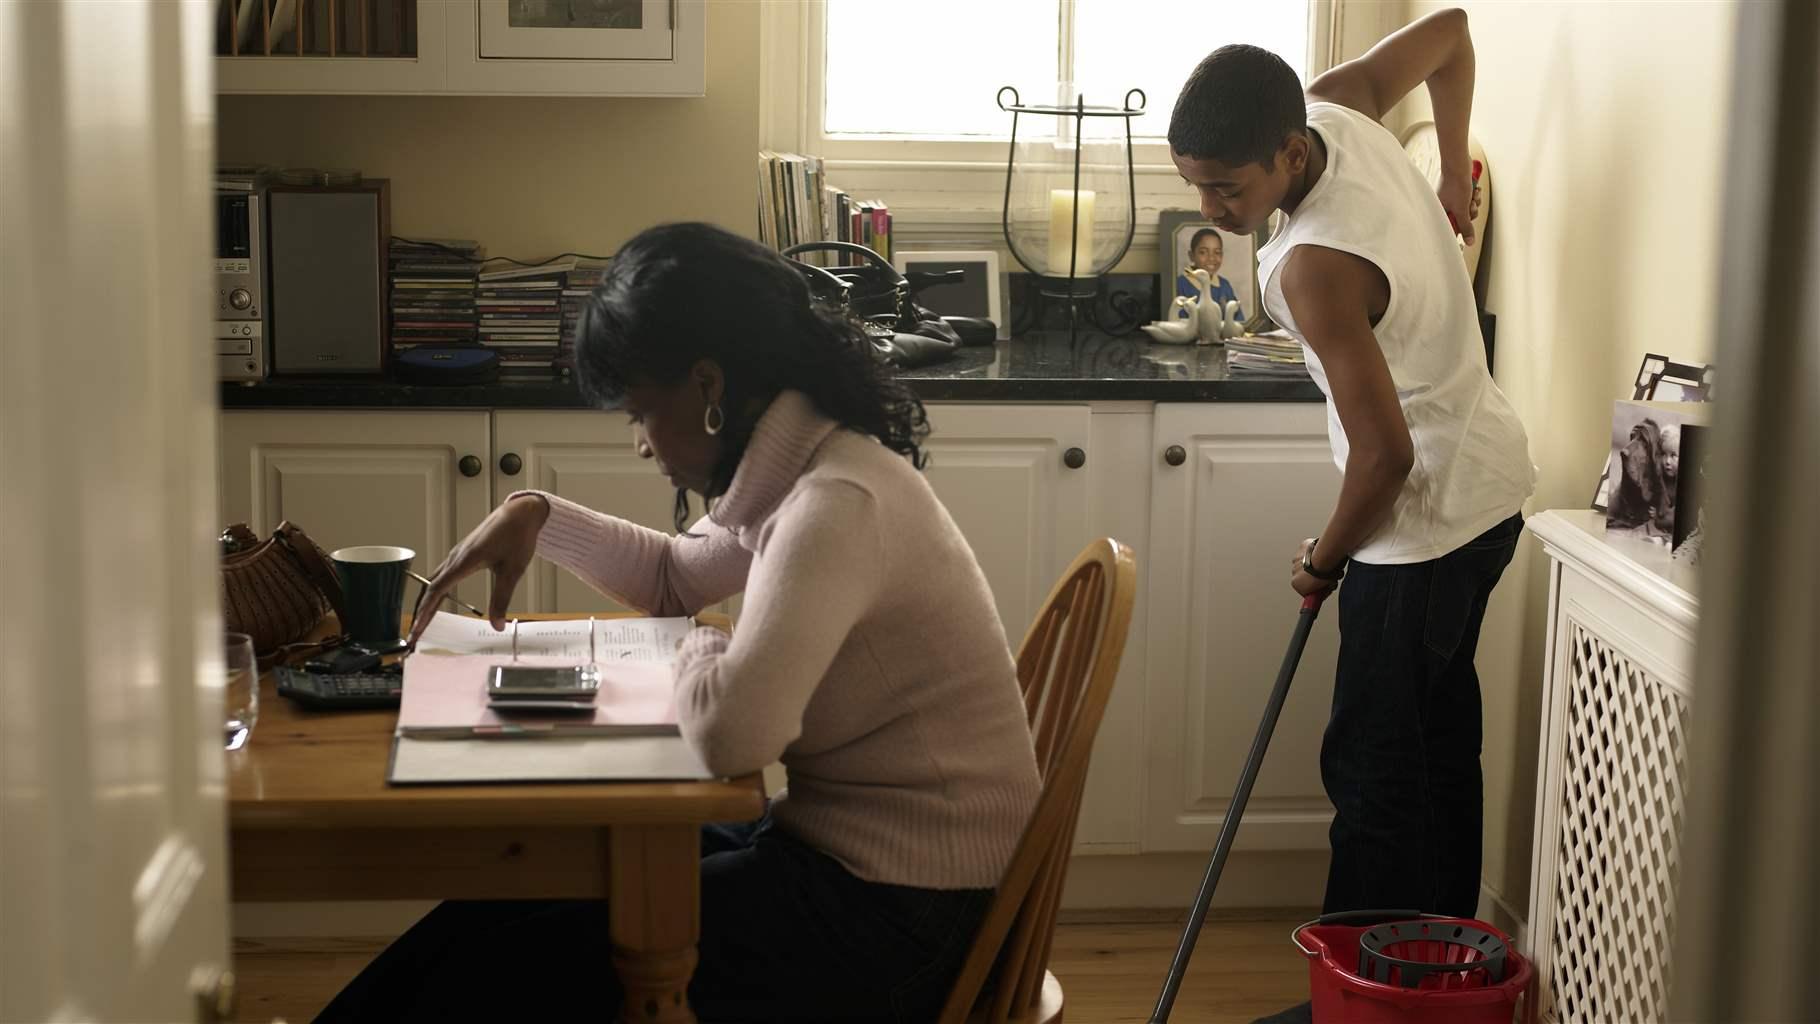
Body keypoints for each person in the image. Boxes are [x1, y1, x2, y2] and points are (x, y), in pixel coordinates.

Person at [315, 222, 1043, 1023]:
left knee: (510, 963)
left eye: (641, 411)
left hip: (909, 914)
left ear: (708, 386)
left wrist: (699, 647)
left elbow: (734, 735)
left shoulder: (835, 504)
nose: (638, 444)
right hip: (849, 859)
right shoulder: (801, 469)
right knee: (495, 910)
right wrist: (535, 513)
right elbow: (672, 577)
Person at [1167, 12, 1535, 1021]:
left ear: (1287, 152)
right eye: (1193, 185)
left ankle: (1363, 1005)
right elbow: (1452, 32)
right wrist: (1451, 167)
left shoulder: (1310, 267)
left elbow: (1383, 456)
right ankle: (1437, 985)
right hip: (1489, 487)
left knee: (1372, 775)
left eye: (1227, 189)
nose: (1210, 207)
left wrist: (1322, 560)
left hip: (1418, 525)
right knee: (1435, 744)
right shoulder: (1340, 102)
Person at [1173, 227, 1245, 321]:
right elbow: (1178, 320)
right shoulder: (1180, 284)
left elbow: (1238, 318)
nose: (1211, 258)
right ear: (1192, 255)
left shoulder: (1224, 285)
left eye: (1217, 252)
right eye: (1203, 252)